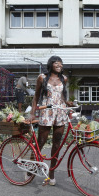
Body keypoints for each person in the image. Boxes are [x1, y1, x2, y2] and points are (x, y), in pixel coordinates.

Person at [29, 56, 73, 186]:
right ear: (51, 64)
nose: (59, 64)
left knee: (57, 144)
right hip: (46, 111)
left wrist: (67, 102)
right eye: (56, 62)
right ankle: (31, 168)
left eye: (61, 63)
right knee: (41, 142)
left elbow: (62, 95)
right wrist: (32, 113)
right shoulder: (42, 78)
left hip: (60, 112)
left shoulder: (64, 78)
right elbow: (36, 96)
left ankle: (51, 174)